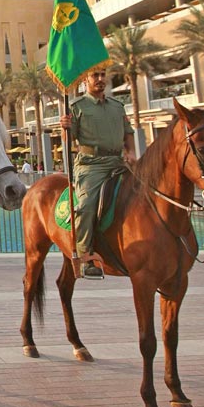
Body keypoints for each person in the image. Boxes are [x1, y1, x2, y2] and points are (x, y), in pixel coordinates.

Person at [60, 69, 136, 278]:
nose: (100, 79)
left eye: (103, 75)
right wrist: (65, 128)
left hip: (118, 162)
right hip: (91, 165)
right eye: (95, 76)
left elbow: (128, 133)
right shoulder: (77, 107)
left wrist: (131, 152)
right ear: (86, 80)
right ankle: (86, 257)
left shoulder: (117, 107)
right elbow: (69, 139)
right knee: (85, 207)